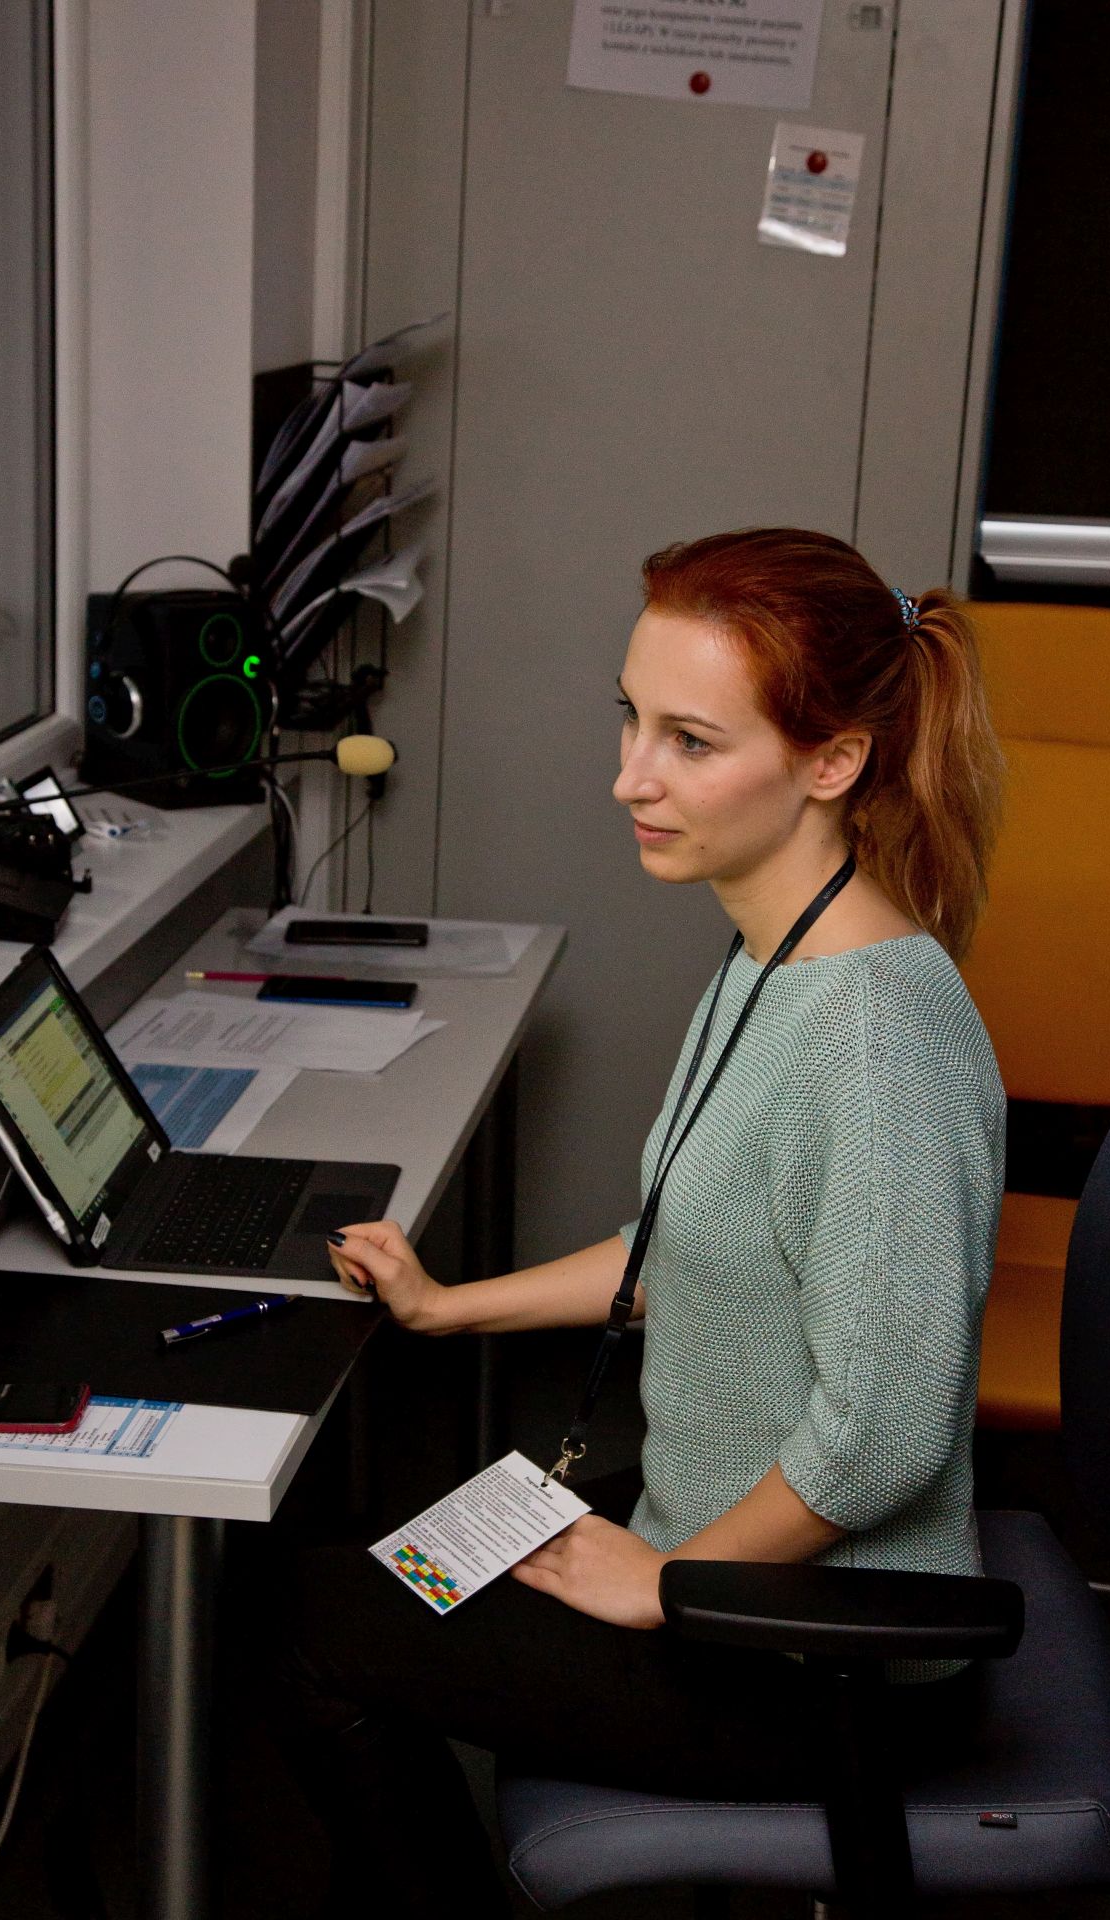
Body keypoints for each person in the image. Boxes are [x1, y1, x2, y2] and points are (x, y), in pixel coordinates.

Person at [283, 527, 1007, 1917]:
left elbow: (886, 1428)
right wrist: (447, 1307)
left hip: (819, 1656)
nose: (631, 776)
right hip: (722, 1547)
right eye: (632, 719)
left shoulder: (874, 1041)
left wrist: (666, 1580)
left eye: (690, 741)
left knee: (319, 1624)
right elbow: (691, 1244)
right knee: (384, 1566)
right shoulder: (777, 952)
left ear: (833, 763)